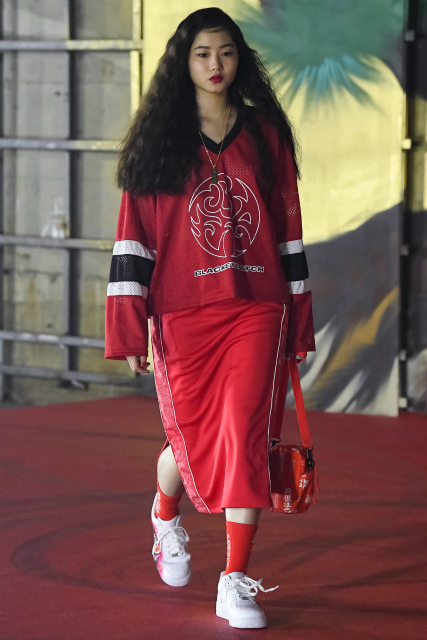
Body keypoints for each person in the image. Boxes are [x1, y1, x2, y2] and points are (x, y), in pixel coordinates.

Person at [104, 7, 315, 630]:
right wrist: (128, 325)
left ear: (239, 58)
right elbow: (134, 239)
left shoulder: (267, 134)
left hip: (257, 305)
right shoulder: (160, 140)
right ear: (184, 62)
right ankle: (165, 514)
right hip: (182, 312)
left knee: (245, 434)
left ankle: (234, 580)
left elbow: (289, 233)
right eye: (202, 54)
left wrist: (299, 320)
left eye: (225, 52)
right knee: (192, 441)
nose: (215, 64)